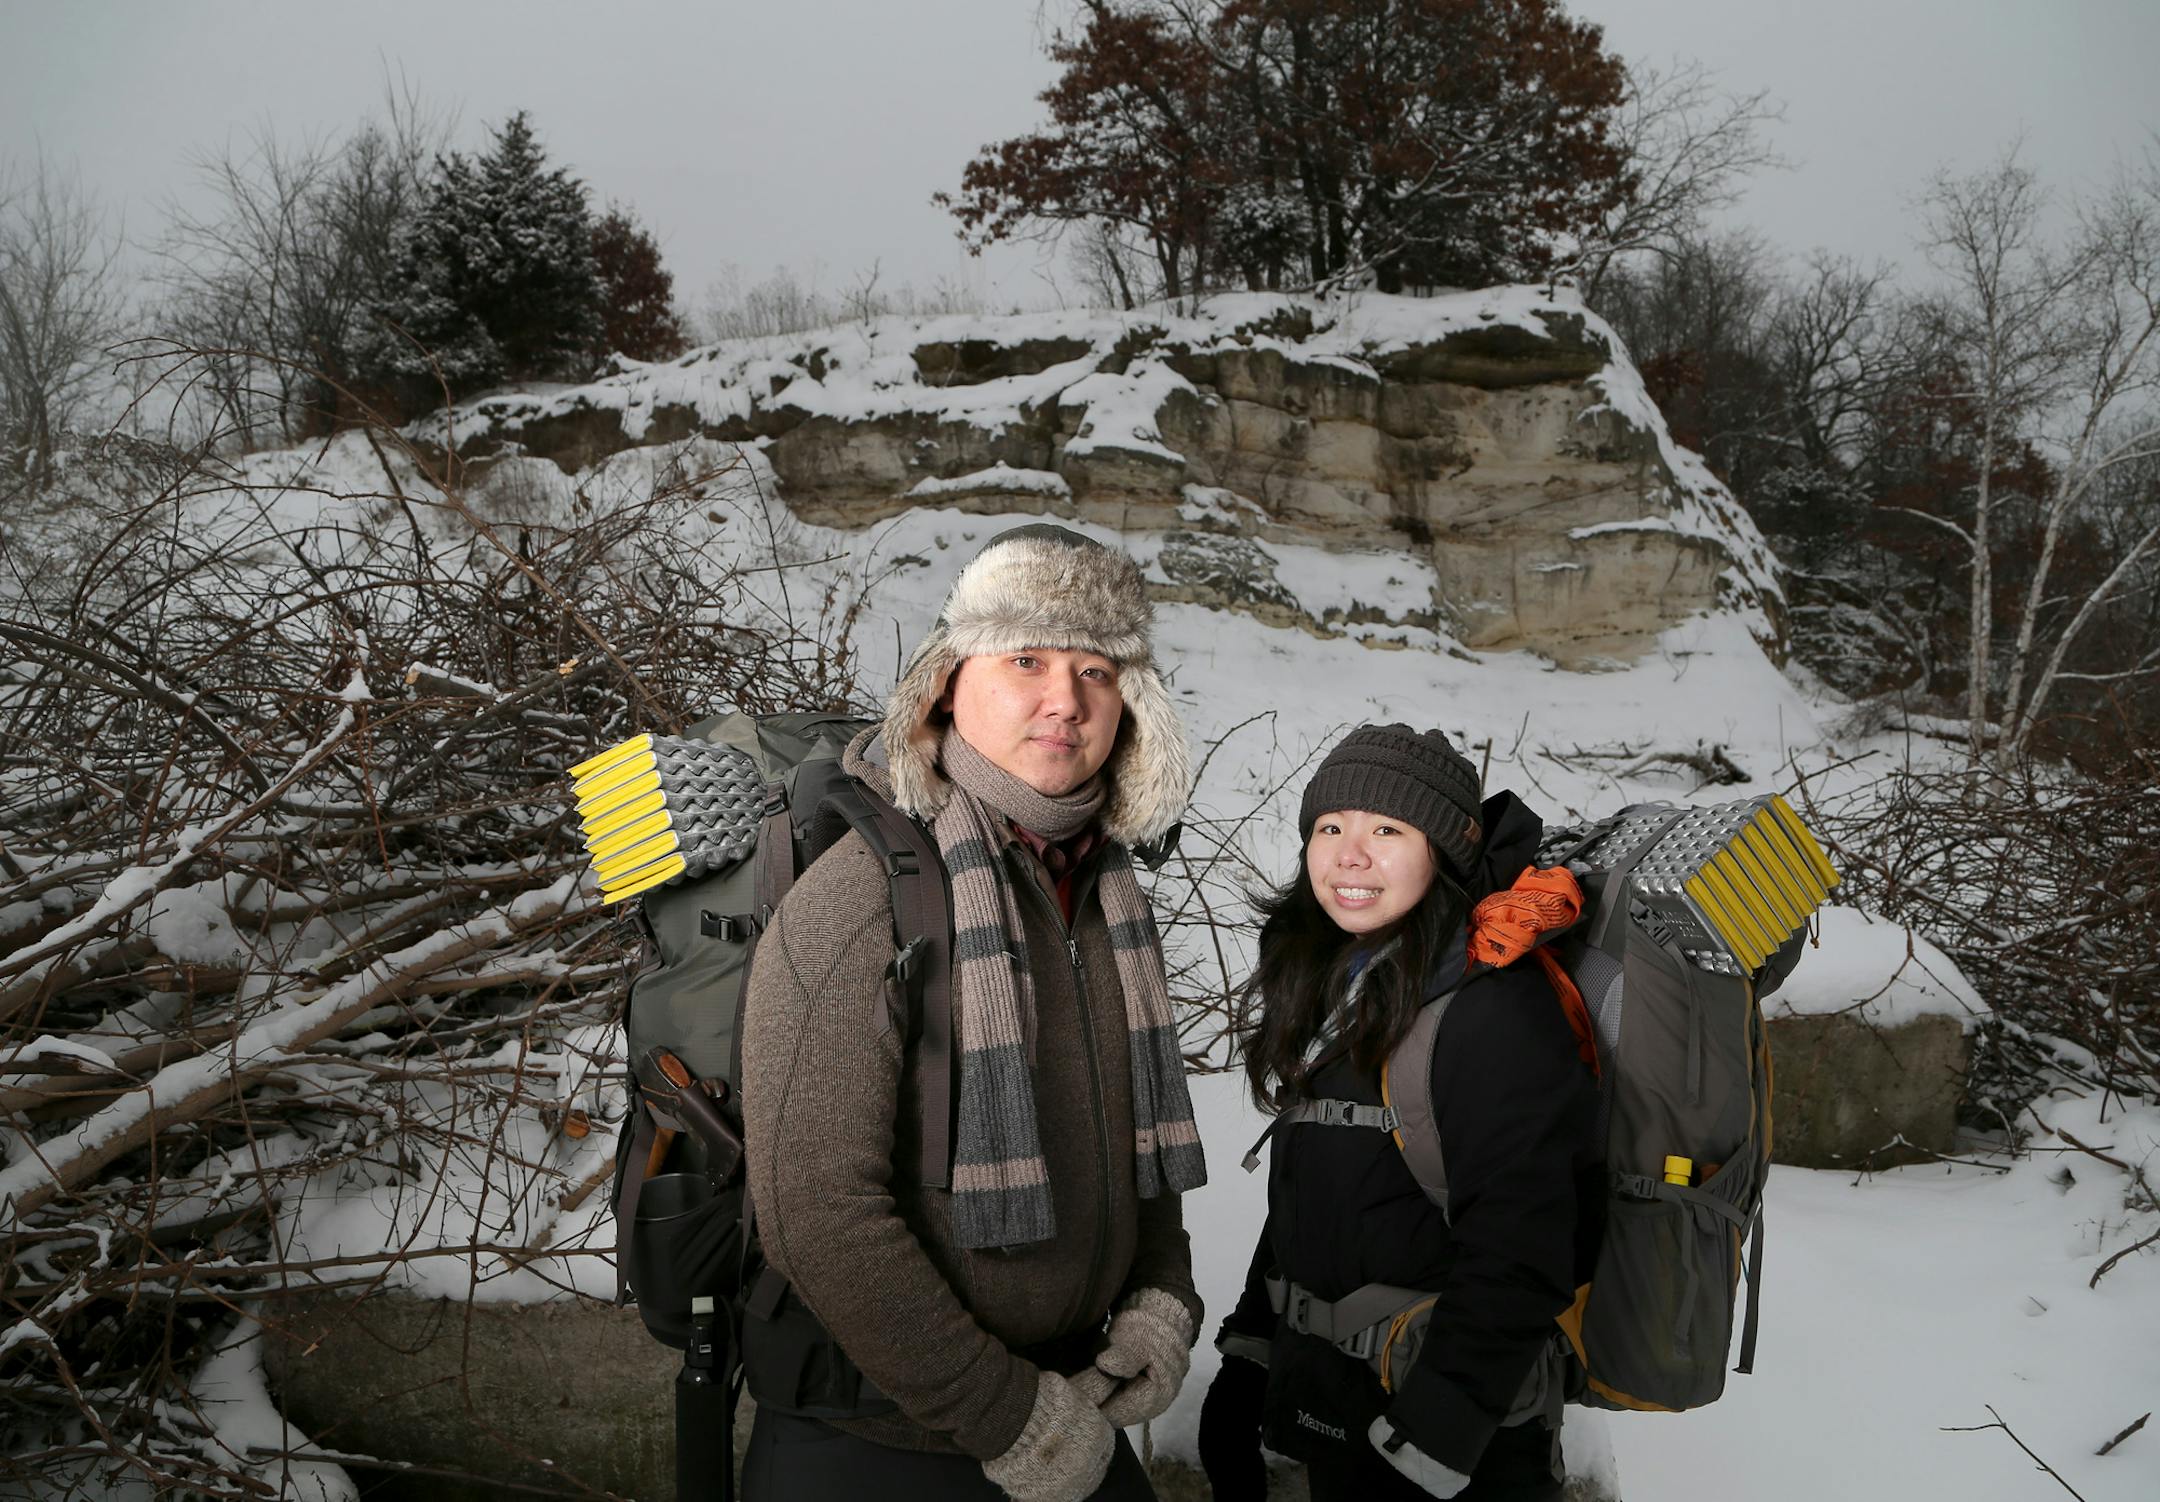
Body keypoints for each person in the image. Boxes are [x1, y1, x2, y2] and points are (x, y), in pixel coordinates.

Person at [739, 524, 1207, 1502]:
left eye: (1096, 669)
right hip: (880, 1444)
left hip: (1071, 1407)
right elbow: (816, 1210)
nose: (1066, 699)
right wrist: (1002, 1412)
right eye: (1026, 659)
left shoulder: (1105, 894)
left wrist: (1160, 1294)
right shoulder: (863, 898)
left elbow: (1135, 1136)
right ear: (948, 683)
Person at [1197, 724, 1602, 1501]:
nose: (1350, 855)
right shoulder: (1339, 985)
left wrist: (1432, 1442)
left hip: (1457, 1452)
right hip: (1340, 1409)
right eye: (1330, 827)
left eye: (1387, 830)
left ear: (1443, 853)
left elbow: (1524, 1249)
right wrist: (1249, 1359)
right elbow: (1320, 1197)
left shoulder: (1491, 1012)